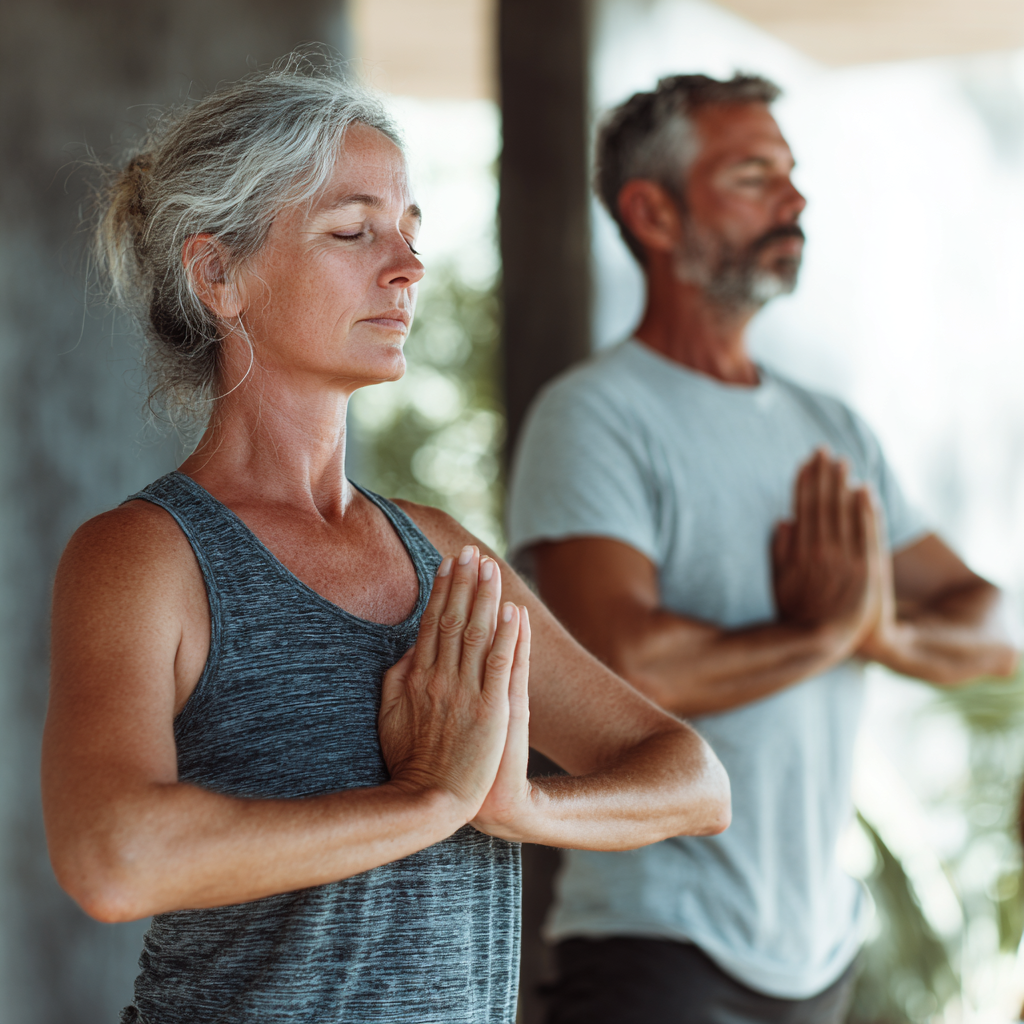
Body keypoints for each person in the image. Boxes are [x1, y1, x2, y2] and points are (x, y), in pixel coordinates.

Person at [41, 59, 731, 1024]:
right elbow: (113, 858)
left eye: (409, 231)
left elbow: (692, 780)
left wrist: (515, 806)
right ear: (219, 276)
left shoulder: (441, 552)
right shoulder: (149, 557)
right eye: (354, 231)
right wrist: (426, 803)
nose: (406, 266)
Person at [507, 73, 1019, 1024]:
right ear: (653, 213)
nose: (794, 200)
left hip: (818, 952)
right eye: (753, 176)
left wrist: (876, 636)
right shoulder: (595, 416)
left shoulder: (831, 427)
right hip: (656, 944)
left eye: (791, 173)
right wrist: (822, 636)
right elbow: (615, 666)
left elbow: (993, 627)